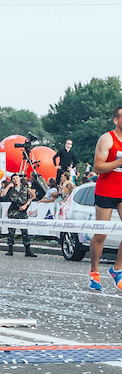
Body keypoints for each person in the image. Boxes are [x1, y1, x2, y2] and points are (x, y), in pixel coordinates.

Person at [88, 105, 122, 291]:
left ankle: (117, 269)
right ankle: (94, 270)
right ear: (116, 120)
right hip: (106, 190)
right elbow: (98, 167)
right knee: (101, 234)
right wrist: (119, 161)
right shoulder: (107, 139)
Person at [3, 174, 35, 257]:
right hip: (13, 211)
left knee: (24, 231)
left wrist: (26, 205)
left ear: (19, 179)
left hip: (22, 211)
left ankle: (28, 250)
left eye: (16, 178)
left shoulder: (25, 189)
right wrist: (8, 186)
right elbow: (2, 195)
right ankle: (10, 249)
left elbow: (31, 197)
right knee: (11, 231)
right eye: (13, 179)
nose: (15, 180)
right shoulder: (10, 189)